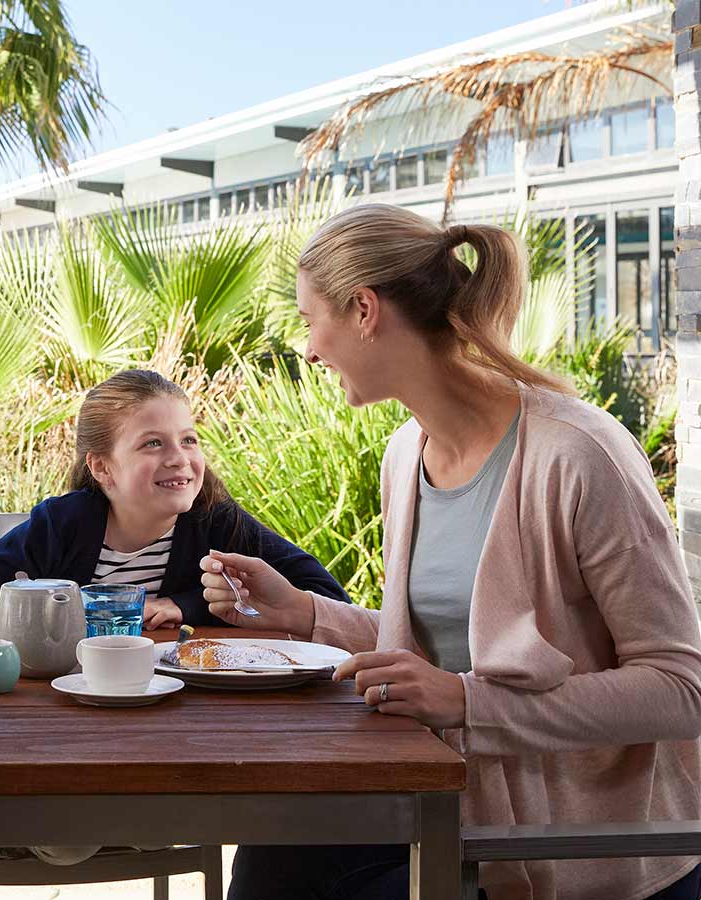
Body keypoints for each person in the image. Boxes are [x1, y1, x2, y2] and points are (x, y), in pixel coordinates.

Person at [202, 204, 701, 900]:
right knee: (274, 857)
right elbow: (458, 647)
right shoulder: (406, 453)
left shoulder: (578, 454)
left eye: (312, 320)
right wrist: (305, 615)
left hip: (576, 849)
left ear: (365, 311)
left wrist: (467, 703)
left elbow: (680, 689)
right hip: (452, 810)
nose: (309, 349)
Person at [0, 368, 349, 629]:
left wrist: (184, 605)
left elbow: (327, 599)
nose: (180, 459)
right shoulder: (62, 523)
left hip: (183, 713)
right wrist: (62, 611)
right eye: (153, 443)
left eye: (189, 440)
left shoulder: (214, 519)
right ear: (102, 468)